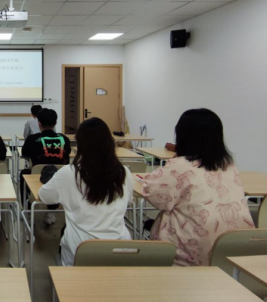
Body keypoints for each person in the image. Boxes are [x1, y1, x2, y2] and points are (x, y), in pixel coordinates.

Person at [142, 108, 254, 267]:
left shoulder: (181, 166)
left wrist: (174, 160)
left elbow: (154, 195)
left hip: (192, 254)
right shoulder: (228, 165)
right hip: (234, 250)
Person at [39, 118, 134, 266]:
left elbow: (44, 197)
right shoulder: (124, 172)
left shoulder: (69, 173)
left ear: (80, 144)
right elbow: (129, 202)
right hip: (121, 250)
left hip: (81, 250)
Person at [22, 108, 71, 225]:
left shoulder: (32, 139)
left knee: (23, 173)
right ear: (55, 123)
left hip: (37, 176)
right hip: (60, 177)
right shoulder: (64, 139)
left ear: (39, 124)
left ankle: (27, 210)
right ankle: (50, 212)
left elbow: (24, 154)